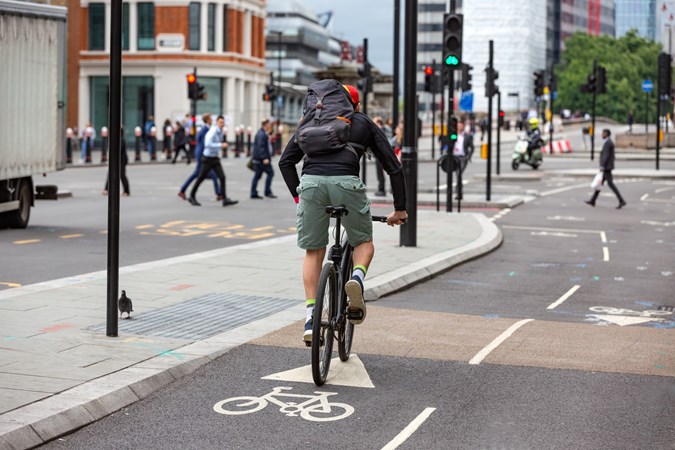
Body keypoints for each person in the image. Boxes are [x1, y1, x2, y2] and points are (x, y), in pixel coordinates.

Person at [279, 82, 408, 343]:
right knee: (363, 242)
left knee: (313, 251)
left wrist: (299, 196)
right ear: (355, 105)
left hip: (311, 185)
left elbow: (286, 162)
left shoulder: (311, 120)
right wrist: (399, 210)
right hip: (347, 185)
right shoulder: (362, 122)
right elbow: (393, 168)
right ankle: (357, 279)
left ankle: (310, 316)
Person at [189, 115, 237, 207]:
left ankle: (224, 199)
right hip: (207, 158)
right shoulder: (213, 131)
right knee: (200, 177)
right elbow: (207, 144)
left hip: (214, 158)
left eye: (223, 122)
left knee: (222, 177)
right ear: (217, 122)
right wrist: (220, 145)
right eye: (220, 122)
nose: (222, 124)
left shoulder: (220, 132)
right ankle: (192, 196)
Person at [178, 114, 221, 200]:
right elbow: (204, 143)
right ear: (208, 120)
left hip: (202, 154)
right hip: (203, 155)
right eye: (210, 119)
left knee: (210, 175)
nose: (212, 120)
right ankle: (218, 194)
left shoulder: (204, 129)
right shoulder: (206, 130)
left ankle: (218, 193)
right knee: (202, 174)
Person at [585, 129, 626, 209]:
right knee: (599, 184)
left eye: (603, 133)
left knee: (611, 184)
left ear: (606, 134)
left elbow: (606, 155)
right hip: (607, 167)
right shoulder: (608, 142)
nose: (601, 134)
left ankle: (621, 201)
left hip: (606, 167)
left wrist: (602, 166)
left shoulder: (608, 143)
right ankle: (593, 200)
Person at [250, 119, 277, 199]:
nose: (270, 125)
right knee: (270, 173)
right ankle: (267, 191)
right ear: (265, 124)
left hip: (258, 159)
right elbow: (261, 147)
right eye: (269, 124)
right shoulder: (261, 134)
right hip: (261, 160)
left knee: (257, 175)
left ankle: (254, 192)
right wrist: (265, 158)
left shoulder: (262, 133)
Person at [102, 127, 130, 196]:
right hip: (117, 160)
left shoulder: (120, 140)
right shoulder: (119, 139)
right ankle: (107, 189)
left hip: (121, 160)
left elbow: (118, 150)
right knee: (110, 174)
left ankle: (126, 191)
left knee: (122, 175)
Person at [372, 116, 388, 196]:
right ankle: (381, 188)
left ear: (378, 123)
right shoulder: (382, 130)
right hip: (380, 154)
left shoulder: (380, 130)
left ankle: (381, 189)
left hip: (380, 154)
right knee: (380, 173)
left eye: (374, 122)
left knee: (380, 173)